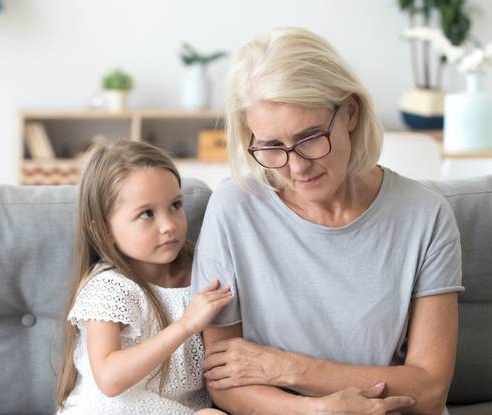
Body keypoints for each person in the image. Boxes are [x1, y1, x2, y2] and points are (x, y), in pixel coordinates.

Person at [190, 27, 464, 415]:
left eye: (310, 137)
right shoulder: (235, 208)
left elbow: (430, 388)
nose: (297, 166)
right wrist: (319, 411)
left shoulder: (425, 216)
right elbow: (224, 381)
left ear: (350, 112)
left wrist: (286, 368)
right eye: (271, 146)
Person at [55, 140, 230, 415]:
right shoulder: (109, 287)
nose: (169, 225)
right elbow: (110, 379)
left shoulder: (201, 272)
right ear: (104, 231)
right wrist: (185, 325)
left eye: (175, 205)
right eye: (147, 214)